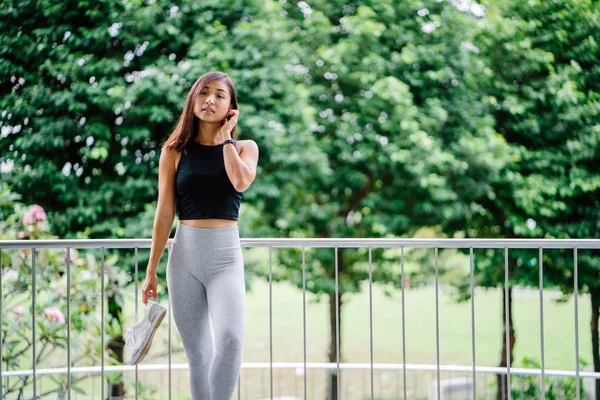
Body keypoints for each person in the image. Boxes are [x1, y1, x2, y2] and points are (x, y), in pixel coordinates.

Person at [141, 71, 259, 399]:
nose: (210, 100)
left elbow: (240, 182)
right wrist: (151, 270)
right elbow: (165, 213)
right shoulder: (174, 151)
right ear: (193, 100)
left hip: (225, 259)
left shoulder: (245, 148)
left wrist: (224, 139)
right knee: (199, 355)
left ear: (231, 107)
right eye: (203, 93)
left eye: (219, 95)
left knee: (231, 340)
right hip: (185, 259)